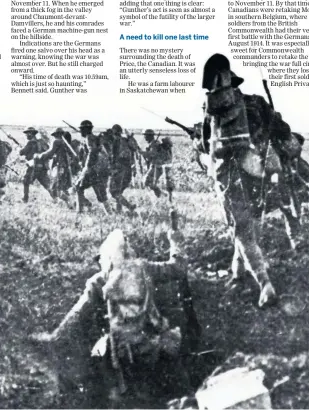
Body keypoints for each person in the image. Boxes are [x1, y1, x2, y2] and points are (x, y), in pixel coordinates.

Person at [30, 213, 201, 400]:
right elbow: (178, 268)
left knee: (101, 375)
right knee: (180, 379)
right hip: (153, 346)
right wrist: (175, 242)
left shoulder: (98, 281)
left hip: (117, 352)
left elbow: (77, 315)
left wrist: (54, 338)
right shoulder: (144, 268)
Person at [201, 53, 303, 308]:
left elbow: (205, 143)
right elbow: (284, 131)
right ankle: (237, 273)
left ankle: (264, 284)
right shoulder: (257, 103)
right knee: (251, 224)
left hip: (230, 173)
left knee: (242, 230)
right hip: (257, 171)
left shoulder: (212, 110)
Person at [75, 120, 112, 214]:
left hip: (92, 169)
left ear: (86, 129)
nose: (81, 132)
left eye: (82, 129)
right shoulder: (95, 138)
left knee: (78, 187)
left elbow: (92, 152)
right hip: (98, 169)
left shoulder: (89, 138)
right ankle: (110, 213)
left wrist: (86, 168)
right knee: (101, 194)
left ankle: (79, 212)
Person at [36, 127, 77, 208]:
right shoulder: (65, 143)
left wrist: (39, 156)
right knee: (64, 188)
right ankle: (70, 206)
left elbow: (50, 152)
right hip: (66, 167)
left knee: (55, 188)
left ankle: (72, 202)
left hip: (59, 167)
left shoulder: (56, 141)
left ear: (56, 134)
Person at [108, 124, 139, 213]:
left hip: (119, 167)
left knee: (114, 191)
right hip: (128, 167)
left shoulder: (115, 141)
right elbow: (135, 148)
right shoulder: (126, 140)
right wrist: (130, 137)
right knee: (119, 191)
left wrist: (111, 168)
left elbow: (112, 155)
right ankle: (119, 210)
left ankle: (129, 206)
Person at [19, 126, 54, 202]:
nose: (26, 135)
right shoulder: (42, 142)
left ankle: (25, 199)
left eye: (27, 133)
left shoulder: (30, 142)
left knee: (25, 181)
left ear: (31, 133)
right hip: (43, 167)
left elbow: (22, 152)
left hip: (33, 167)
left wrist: (19, 149)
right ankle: (56, 198)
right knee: (47, 184)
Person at [140, 129, 175, 199]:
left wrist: (142, 152)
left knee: (147, 181)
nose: (145, 137)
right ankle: (162, 195)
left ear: (150, 136)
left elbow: (152, 154)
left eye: (146, 136)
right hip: (156, 166)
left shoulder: (154, 144)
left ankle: (162, 195)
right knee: (148, 182)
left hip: (158, 166)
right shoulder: (153, 143)